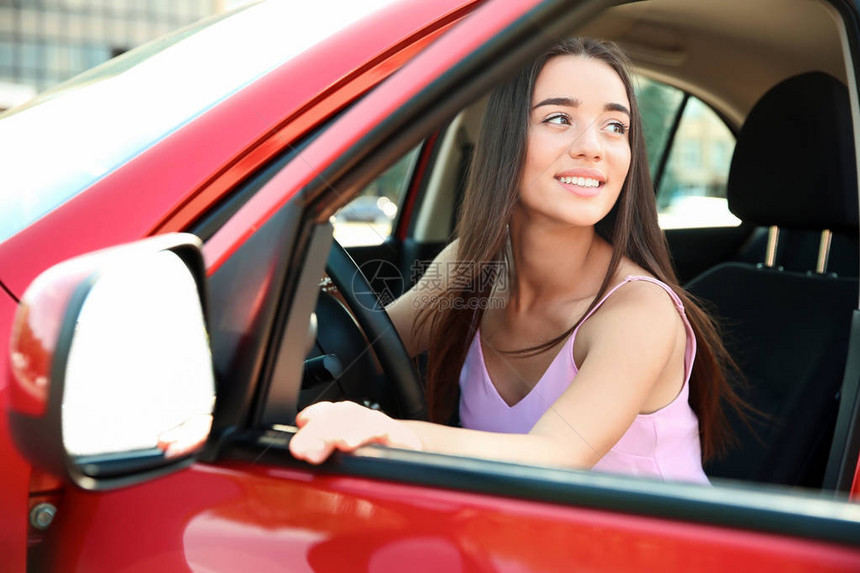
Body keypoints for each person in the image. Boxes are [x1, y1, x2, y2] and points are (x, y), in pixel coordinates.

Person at [290, 38, 746, 483]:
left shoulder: (639, 312)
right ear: (505, 140)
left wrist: (393, 433)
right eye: (559, 118)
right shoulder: (471, 267)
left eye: (615, 127)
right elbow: (362, 346)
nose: (593, 147)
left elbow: (554, 455)